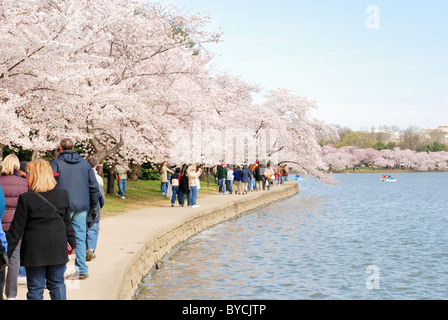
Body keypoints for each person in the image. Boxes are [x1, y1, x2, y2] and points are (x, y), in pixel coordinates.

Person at [6, 160, 76, 300]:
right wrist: (73, 244)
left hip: (34, 249)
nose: (26, 176)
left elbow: (16, 230)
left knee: (35, 289)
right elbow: (67, 222)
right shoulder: (63, 194)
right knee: (57, 284)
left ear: (34, 175)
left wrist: (6, 252)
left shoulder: (26, 198)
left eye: (27, 173)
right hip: (57, 245)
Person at [50, 138, 102, 280]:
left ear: (60, 148)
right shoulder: (85, 165)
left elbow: (49, 184)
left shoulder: (55, 164)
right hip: (81, 206)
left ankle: (58, 270)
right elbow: (93, 186)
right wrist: (93, 205)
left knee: (59, 237)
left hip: (61, 206)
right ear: (73, 148)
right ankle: (82, 269)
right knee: (79, 237)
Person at [0, 154, 28, 300]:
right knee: (14, 259)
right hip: (16, 226)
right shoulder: (24, 183)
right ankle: (11, 294)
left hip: (1, 223)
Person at [86, 157, 105, 262]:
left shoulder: (81, 178)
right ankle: (91, 249)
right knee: (93, 230)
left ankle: (84, 249)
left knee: (84, 229)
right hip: (95, 207)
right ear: (96, 165)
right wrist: (100, 206)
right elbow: (102, 196)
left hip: (83, 207)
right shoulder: (98, 179)